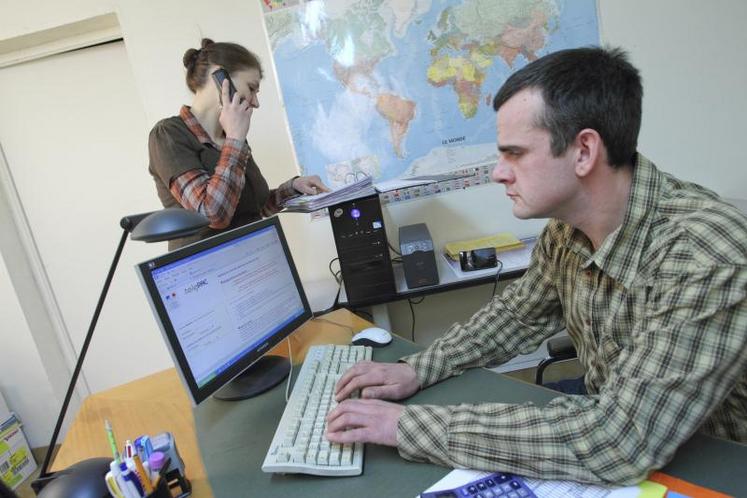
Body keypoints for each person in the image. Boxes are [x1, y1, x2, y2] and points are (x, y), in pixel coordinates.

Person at [325, 47, 747, 485]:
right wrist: (418, 368)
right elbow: (516, 317)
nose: (498, 173)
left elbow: (618, 440)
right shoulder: (568, 229)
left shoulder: (704, 253)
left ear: (584, 151)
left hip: (715, 468)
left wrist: (404, 427)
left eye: (515, 153)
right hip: (626, 428)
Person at [148, 39, 328, 249]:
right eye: (251, 88)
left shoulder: (232, 137)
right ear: (219, 76)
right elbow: (213, 214)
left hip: (257, 257)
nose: (255, 102)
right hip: (212, 265)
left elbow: (253, 209)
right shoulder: (168, 135)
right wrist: (235, 139)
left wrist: (293, 188)